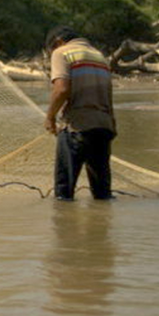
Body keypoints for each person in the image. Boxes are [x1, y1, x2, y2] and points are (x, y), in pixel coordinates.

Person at [44, 25, 115, 201]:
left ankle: (65, 226)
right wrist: (112, 124)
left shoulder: (62, 53)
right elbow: (109, 94)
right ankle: (101, 226)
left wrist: (50, 117)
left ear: (58, 42)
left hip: (77, 128)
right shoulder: (100, 57)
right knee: (102, 195)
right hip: (103, 127)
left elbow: (61, 89)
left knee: (64, 194)